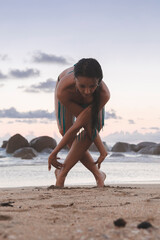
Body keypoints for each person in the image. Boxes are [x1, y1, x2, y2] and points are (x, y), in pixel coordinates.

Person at [48, 58, 110, 187]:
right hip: (68, 93)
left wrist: (102, 150)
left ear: (98, 82)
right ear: (75, 80)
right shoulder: (63, 90)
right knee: (65, 131)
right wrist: (55, 152)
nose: (87, 91)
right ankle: (98, 174)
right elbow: (78, 125)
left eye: (92, 86)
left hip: (93, 100)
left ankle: (62, 173)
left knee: (96, 127)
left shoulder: (103, 93)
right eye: (82, 86)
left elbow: (87, 124)